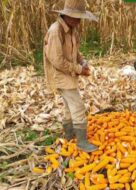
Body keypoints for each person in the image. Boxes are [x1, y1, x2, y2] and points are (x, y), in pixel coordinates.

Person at [43, 0, 98, 152]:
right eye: (77, 17)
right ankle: (82, 142)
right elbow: (57, 60)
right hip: (61, 75)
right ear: (67, 15)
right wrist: (79, 69)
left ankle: (69, 135)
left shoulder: (71, 28)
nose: (79, 21)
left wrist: (83, 61)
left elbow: (75, 51)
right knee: (78, 107)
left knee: (69, 106)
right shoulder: (56, 31)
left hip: (69, 74)